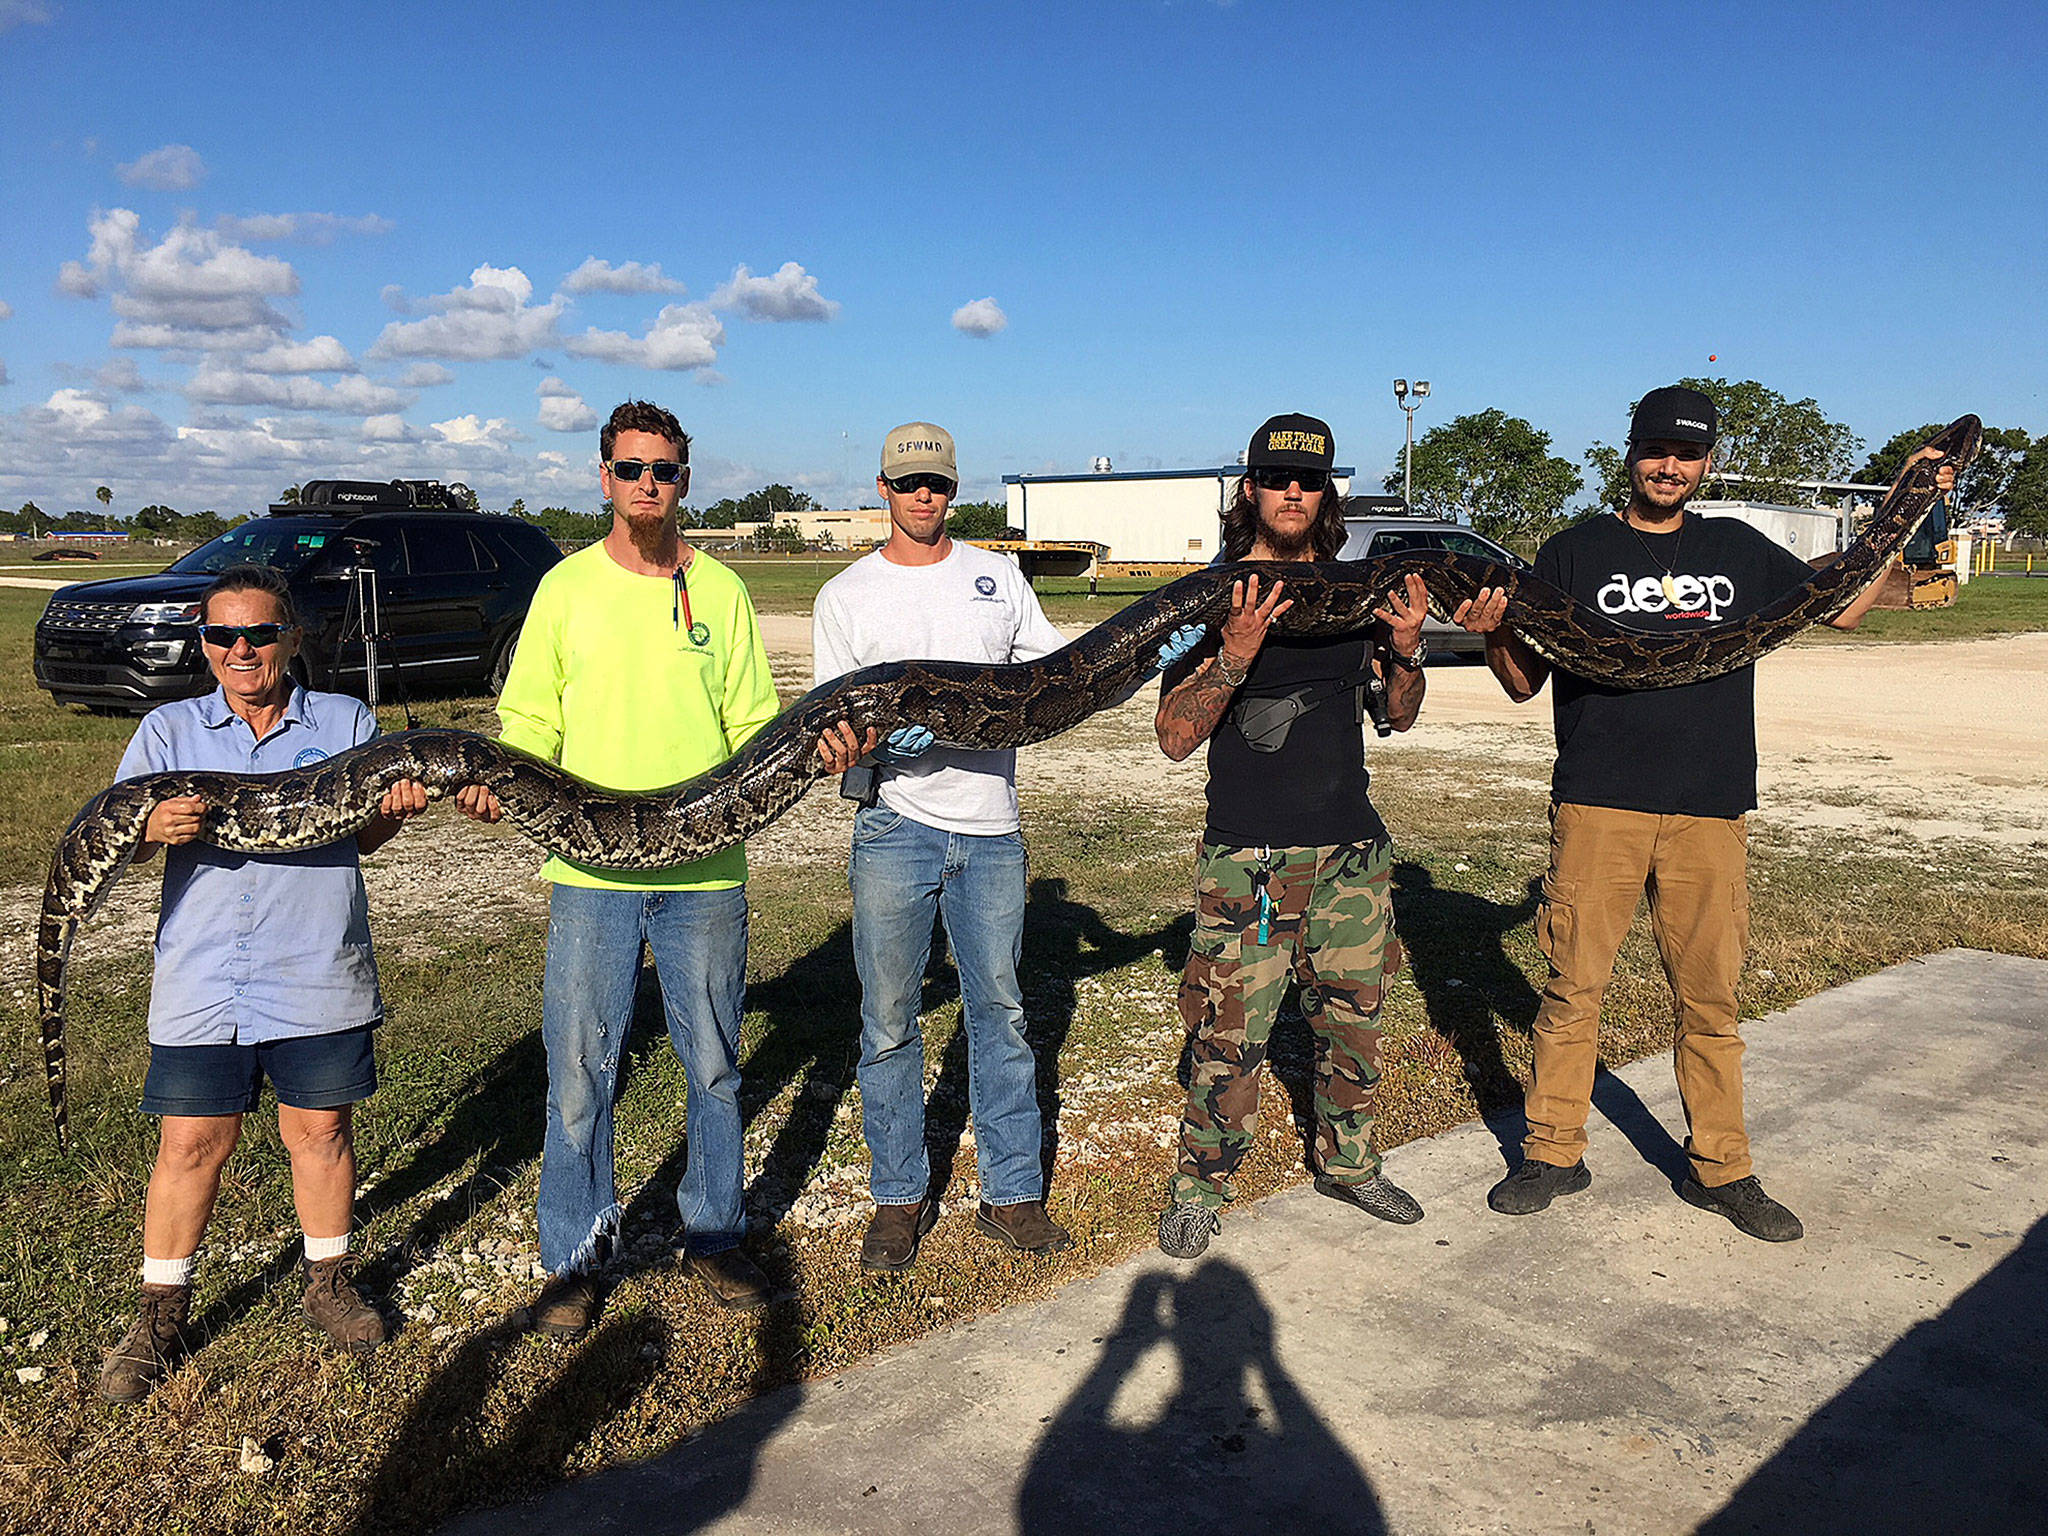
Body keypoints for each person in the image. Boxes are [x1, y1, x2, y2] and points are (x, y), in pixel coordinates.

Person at [1454, 385, 1952, 1241]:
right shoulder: (1573, 552)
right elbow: (1520, 681)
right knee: (1574, 988)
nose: (1669, 466)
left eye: (1686, 454)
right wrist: (1494, 630)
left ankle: (1724, 1169)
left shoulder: (1738, 550)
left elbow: (1846, 603)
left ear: (1707, 461)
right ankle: (1552, 1153)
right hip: (1598, 802)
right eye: (1656, 450)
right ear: (1632, 453)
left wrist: (1908, 503)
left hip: (1709, 808)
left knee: (1710, 999)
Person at [457, 399, 790, 1329]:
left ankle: (715, 1235)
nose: (651, 484)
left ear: (686, 479)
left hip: (705, 874)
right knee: (579, 1073)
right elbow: (528, 723)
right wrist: (500, 783)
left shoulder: (720, 590)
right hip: (591, 879)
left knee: (716, 1066)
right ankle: (573, 1255)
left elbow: (755, 726)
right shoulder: (563, 589)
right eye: (634, 468)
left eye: (667, 470)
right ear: (605, 478)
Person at [97, 564, 428, 1404]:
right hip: (206, 971)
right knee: (190, 1143)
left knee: (319, 1130)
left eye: (260, 634)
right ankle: (160, 1310)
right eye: (222, 636)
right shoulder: (168, 731)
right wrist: (149, 828)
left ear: (292, 638)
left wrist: (393, 810)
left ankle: (328, 1283)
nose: (242, 650)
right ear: (204, 644)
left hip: (314, 962)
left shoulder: (346, 719)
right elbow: (118, 842)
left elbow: (364, 839)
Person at [1153, 413, 1434, 1260]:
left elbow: (1397, 717)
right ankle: (1200, 1185)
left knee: (1353, 1024)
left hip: (1352, 851)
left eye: (1308, 481)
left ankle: (1349, 1163)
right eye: (1277, 478)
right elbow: (1173, 735)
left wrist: (1409, 650)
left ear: (1326, 494)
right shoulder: (1213, 597)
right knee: (1228, 1035)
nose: (1292, 493)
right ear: (1251, 488)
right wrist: (1233, 657)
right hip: (1250, 857)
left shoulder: (1358, 594)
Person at [810, 421, 1084, 1271]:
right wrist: (874, 747)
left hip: (992, 829)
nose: (922, 497)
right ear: (883, 489)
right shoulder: (845, 596)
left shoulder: (996, 578)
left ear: (954, 491)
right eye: (907, 484)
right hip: (893, 827)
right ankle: (897, 1197)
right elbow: (833, 735)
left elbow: (1056, 680)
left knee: (999, 1013)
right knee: (888, 1020)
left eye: (936, 484)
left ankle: (1012, 1194)